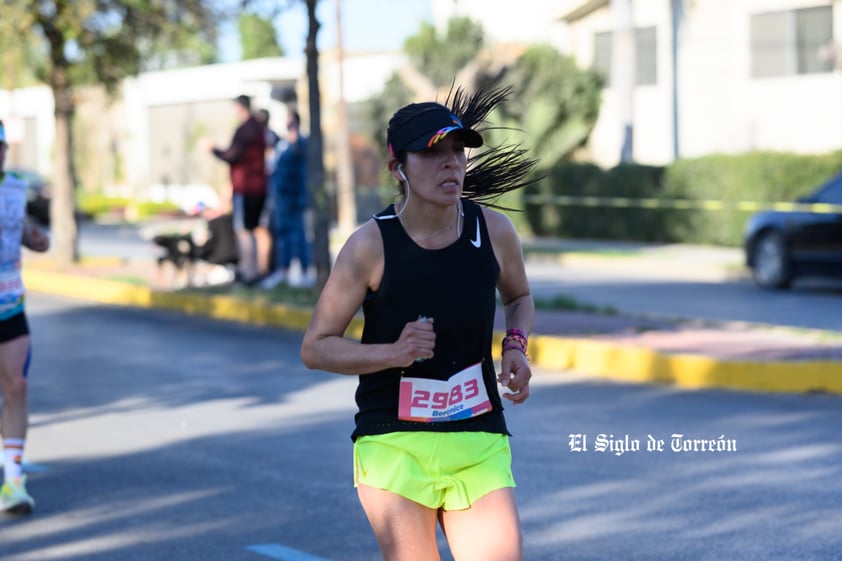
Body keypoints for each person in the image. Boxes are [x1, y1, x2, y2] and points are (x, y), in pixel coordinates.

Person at [300, 86, 538, 561]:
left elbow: (519, 296)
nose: (450, 163)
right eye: (432, 152)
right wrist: (392, 352)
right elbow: (316, 346)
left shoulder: (492, 232)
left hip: (478, 433)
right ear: (398, 168)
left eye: (457, 151)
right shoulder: (370, 246)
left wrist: (515, 345)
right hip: (393, 441)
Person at [0, 120, 50, 515]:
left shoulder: (14, 187)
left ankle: (13, 479)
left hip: (9, 302)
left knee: (16, 385)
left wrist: (34, 238)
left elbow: (27, 233)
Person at [204, 94, 267, 285]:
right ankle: (257, 270)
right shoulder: (259, 128)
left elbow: (232, 155)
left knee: (244, 230)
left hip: (246, 187)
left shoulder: (245, 130)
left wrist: (213, 149)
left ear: (240, 108)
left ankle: (249, 272)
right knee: (256, 229)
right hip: (259, 187)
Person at [260, 110, 313, 289]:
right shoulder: (281, 143)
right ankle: (284, 270)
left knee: (298, 235)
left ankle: (305, 271)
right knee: (284, 235)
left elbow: (302, 168)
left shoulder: (300, 143)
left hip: (295, 197)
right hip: (281, 197)